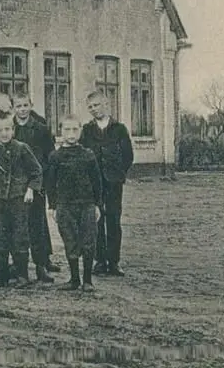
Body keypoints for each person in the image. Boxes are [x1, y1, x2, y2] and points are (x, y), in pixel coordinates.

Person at [0, 114, 44, 288]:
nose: (4, 133)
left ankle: (22, 275)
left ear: (13, 130)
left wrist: (30, 189)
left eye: (7, 129)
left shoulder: (22, 149)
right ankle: (2, 275)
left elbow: (36, 172)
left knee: (20, 236)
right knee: (0, 237)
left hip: (19, 200)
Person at [79, 91, 134, 276]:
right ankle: (100, 260)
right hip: (94, 184)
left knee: (113, 219)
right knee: (96, 220)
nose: (94, 109)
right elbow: (83, 155)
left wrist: (118, 174)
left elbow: (128, 155)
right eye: (90, 107)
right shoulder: (87, 130)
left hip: (113, 183)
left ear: (106, 104)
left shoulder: (119, 129)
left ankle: (114, 261)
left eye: (96, 105)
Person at [48, 114, 102, 292]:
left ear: (81, 131)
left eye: (75, 129)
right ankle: (74, 279)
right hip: (65, 206)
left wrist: (97, 205)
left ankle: (87, 280)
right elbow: (50, 184)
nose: (71, 133)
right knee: (70, 240)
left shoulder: (88, 155)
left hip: (86, 205)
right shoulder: (55, 156)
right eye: (67, 129)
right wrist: (53, 206)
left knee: (88, 241)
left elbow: (97, 182)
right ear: (60, 131)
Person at [11, 95, 57, 282]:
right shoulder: (9, 128)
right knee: (16, 225)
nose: (22, 109)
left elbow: (49, 156)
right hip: (13, 184)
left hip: (36, 183)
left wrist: (40, 177)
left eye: (25, 105)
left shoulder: (41, 129)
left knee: (37, 224)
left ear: (31, 105)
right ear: (13, 108)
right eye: (18, 106)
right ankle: (18, 266)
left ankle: (41, 265)